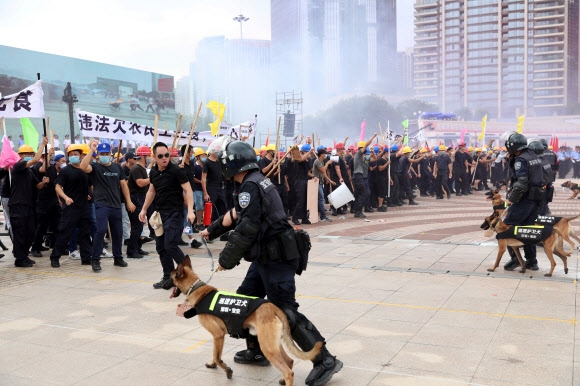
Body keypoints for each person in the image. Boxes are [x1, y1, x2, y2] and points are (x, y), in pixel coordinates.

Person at [200, 138, 343, 386]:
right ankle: (257, 350)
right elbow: (236, 214)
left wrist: (226, 259)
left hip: (276, 258)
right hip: (265, 256)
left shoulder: (250, 187)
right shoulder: (251, 183)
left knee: (286, 311)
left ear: (232, 164)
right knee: (245, 301)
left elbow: (247, 227)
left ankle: (325, 360)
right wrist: (210, 231)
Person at [139, 142, 195, 289]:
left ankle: (189, 275)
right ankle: (168, 277)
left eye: (167, 155)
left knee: (170, 245)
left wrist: (190, 210)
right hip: (160, 214)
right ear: (154, 157)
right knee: (161, 247)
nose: (164, 158)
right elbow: (151, 191)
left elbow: (188, 191)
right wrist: (144, 209)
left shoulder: (177, 171)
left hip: (175, 213)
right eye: (161, 156)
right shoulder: (154, 173)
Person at [80, 140, 136, 272]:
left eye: (107, 153)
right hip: (101, 204)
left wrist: (128, 201)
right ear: (99, 155)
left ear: (110, 154)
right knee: (101, 230)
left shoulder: (117, 167)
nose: (105, 155)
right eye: (102, 153)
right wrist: (91, 150)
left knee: (118, 232)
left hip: (116, 205)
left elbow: (123, 185)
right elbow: (83, 166)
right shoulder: (95, 167)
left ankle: (118, 257)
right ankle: (95, 259)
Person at [502, 133, 545, 271]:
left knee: (507, 226)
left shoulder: (521, 159)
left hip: (524, 200)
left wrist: (511, 199)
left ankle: (515, 259)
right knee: (527, 230)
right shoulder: (533, 156)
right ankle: (532, 261)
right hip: (536, 199)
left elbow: (521, 183)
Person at [49, 144, 93, 267]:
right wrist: (65, 197)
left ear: (81, 156)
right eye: (71, 155)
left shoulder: (85, 171)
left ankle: (86, 257)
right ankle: (55, 257)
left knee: (85, 234)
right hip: (70, 207)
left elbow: (90, 186)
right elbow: (57, 186)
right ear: (68, 157)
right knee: (64, 233)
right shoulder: (66, 171)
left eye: (76, 154)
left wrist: (89, 194)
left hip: (84, 207)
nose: (74, 156)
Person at [9, 138, 48, 267]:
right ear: (20, 155)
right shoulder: (18, 166)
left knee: (30, 231)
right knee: (20, 232)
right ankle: (19, 259)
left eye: (30, 154)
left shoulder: (29, 172)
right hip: (17, 205)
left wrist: (44, 182)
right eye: (26, 154)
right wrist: (43, 145)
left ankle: (24, 254)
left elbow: (38, 186)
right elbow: (36, 160)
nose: (29, 156)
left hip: (28, 206)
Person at [31, 149, 65, 257]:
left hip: (53, 200)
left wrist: (58, 199)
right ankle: (35, 247)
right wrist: (48, 155)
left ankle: (56, 246)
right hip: (43, 201)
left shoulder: (53, 168)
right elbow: (42, 170)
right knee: (41, 225)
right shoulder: (39, 166)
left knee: (56, 224)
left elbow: (55, 185)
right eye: (48, 155)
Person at [126, 146, 153, 259]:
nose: (149, 158)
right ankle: (131, 250)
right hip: (135, 199)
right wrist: (152, 178)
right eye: (148, 156)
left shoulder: (142, 168)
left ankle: (137, 247)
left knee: (140, 225)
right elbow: (140, 183)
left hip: (141, 198)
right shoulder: (136, 168)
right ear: (143, 156)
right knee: (137, 226)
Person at [352, 134, 377, 218]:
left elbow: (374, 159)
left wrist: (373, 152)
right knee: (363, 193)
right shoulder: (358, 154)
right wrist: (373, 137)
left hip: (359, 176)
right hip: (358, 176)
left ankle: (357, 211)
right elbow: (366, 144)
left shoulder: (362, 158)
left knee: (359, 194)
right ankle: (358, 211)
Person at [202, 146, 227, 222]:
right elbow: (203, 179)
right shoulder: (207, 162)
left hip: (220, 188)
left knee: (223, 207)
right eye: (217, 151)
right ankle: (209, 227)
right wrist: (205, 193)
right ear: (212, 151)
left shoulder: (219, 161)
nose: (219, 153)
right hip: (211, 188)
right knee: (211, 209)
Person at [312, 147, 333, 222]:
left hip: (320, 182)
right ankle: (323, 216)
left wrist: (329, 180)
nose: (325, 155)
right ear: (321, 154)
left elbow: (323, 173)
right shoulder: (318, 161)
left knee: (319, 199)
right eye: (324, 154)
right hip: (316, 182)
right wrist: (327, 163)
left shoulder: (321, 162)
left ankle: (321, 216)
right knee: (321, 199)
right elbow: (323, 170)